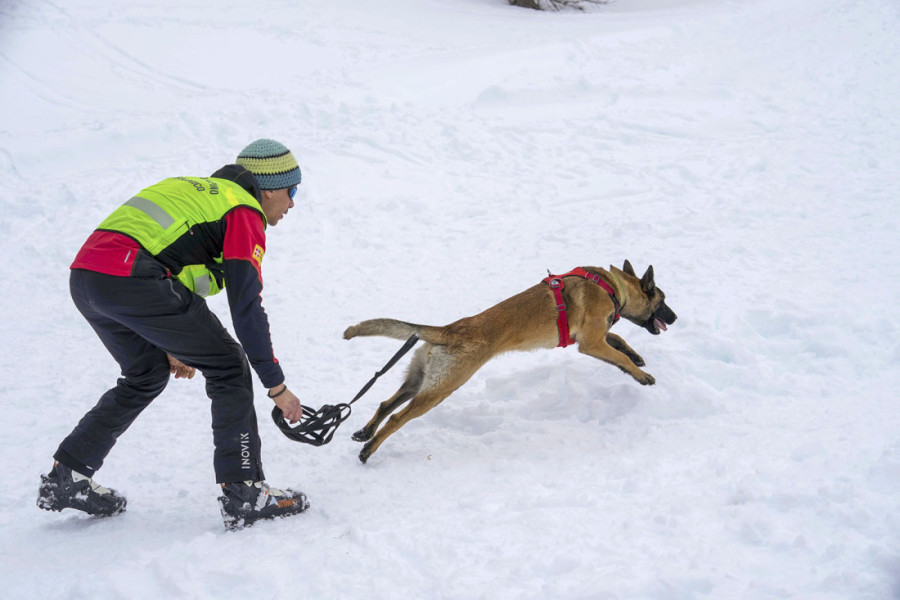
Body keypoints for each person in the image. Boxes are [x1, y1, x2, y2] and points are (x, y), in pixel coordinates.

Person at [37, 139, 310, 530]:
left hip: (87, 278)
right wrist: (276, 387)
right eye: (292, 191)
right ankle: (245, 491)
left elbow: (174, 274)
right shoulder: (242, 209)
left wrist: (172, 343)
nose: (292, 204)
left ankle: (68, 477)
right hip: (134, 277)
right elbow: (246, 307)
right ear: (269, 187)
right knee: (230, 365)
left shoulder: (196, 192)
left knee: (145, 373)